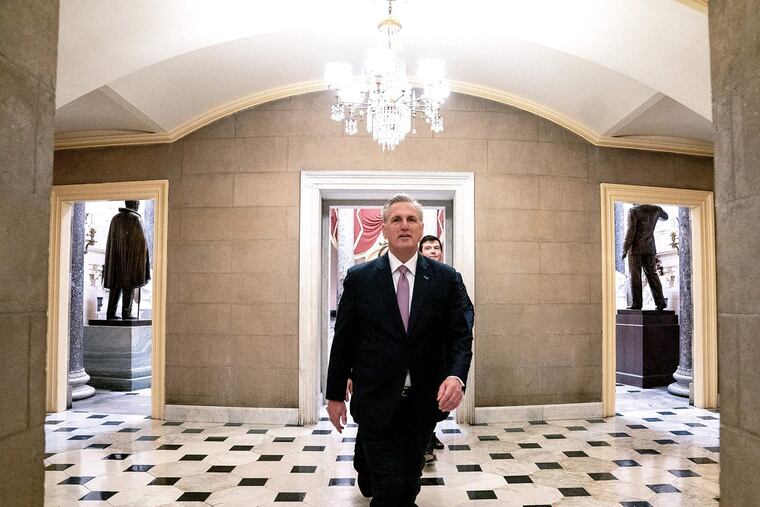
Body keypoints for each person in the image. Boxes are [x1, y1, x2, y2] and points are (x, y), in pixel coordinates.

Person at [326, 194, 473, 506]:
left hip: (422, 402)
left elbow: (460, 336)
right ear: (384, 228)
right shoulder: (360, 278)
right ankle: (372, 470)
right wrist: (335, 394)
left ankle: (366, 467)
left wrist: (456, 377)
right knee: (391, 493)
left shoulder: (445, 279)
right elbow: (344, 340)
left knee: (408, 483)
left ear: (421, 228)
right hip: (376, 399)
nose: (404, 225)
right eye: (396, 219)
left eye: (411, 219)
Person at [418, 234, 474, 463]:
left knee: (439, 395)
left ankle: (427, 435)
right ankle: (424, 442)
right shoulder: (414, 277)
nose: (433, 251)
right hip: (422, 350)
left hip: (444, 350)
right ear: (421, 252)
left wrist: (459, 332)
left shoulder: (452, 277)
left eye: (436, 247)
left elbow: (466, 309)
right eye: (428, 247)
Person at [103, 200, 151, 320]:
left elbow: (111, 242)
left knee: (116, 286)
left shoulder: (115, 219)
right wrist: (143, 261)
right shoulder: (135, 219)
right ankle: (126, 312)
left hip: (116, 261)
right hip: (130, 261)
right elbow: (142, 243)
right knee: (129, 286)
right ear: (135, 205)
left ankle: (111, 313)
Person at [622, 204, 668, 310]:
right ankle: (660, 303)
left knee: (635, 276)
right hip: (650, 247)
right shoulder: (656, 209)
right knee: (652, 274)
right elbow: (666, 217)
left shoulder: (633, 211)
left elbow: (630, 231)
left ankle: (637, 304)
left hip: (635, 248)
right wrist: (655, 216)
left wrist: (625, 248)